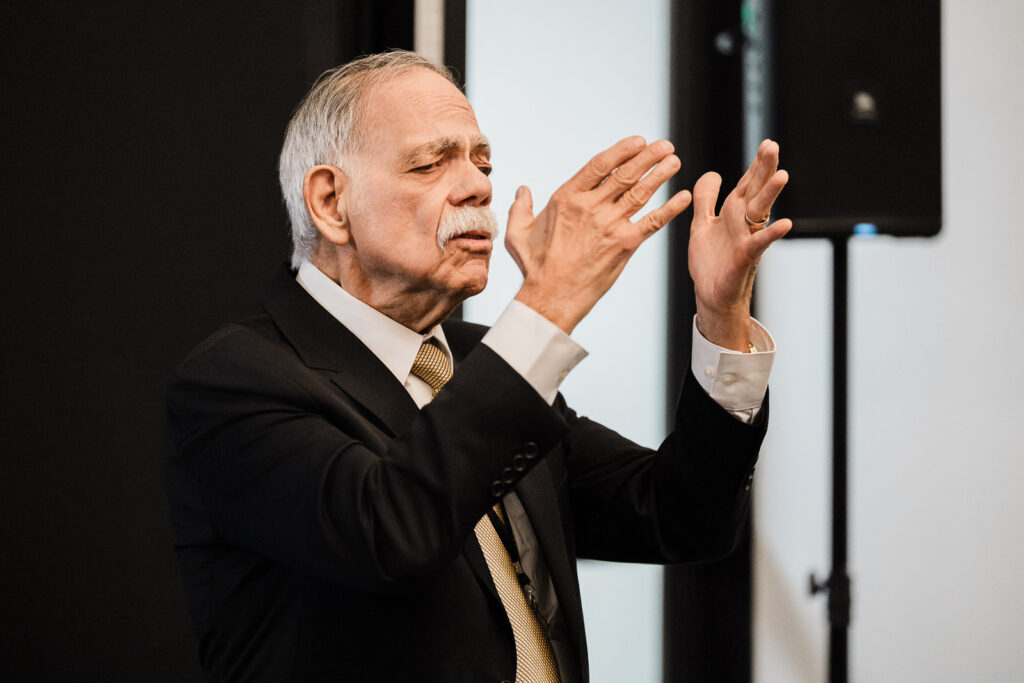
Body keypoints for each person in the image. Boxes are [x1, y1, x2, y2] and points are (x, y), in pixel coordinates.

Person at [165, 50, 791, 683]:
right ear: (331, 202)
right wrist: (548, 304)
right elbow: (391, 534)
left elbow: (682, 517)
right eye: (430, 163)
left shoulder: (479, 361)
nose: (478, 186)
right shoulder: (236, 381)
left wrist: (722, 314)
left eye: (482, 162)